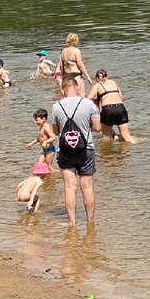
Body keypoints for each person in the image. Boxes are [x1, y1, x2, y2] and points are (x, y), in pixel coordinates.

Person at [49, 76, 101, 227]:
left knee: (69, 187)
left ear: (63, 90)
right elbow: (97, 128)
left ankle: (72, 223)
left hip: (65, 150)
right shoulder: (88, 104)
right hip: (86, 149)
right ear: (77, 88)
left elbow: (56, 131)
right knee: (87, 186)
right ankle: (90, 222)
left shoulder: (56, 106)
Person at [87, 69, 138, 144]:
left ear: (97, 78)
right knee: (126, 136)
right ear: (107, 77)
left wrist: (97, 101)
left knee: (106, 137)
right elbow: (121, 97)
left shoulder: (98, 85)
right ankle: (136, 147)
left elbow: (89, 98)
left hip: (108, 109)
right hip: (121, 108)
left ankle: (107, 155)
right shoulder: (114, 82)